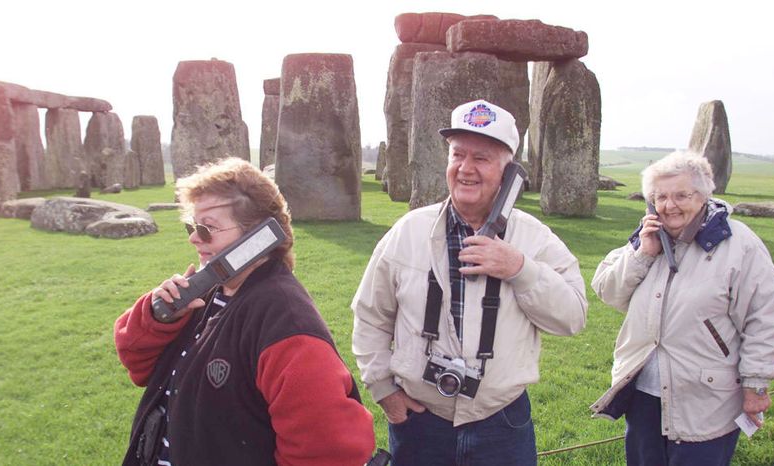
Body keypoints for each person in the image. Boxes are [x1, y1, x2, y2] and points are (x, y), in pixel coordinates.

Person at [351, 99, 588, 465]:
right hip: (419, 421)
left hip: (502, 422)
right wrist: (383, 389)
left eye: (482, 158)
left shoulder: (534, 239)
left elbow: (573, 316)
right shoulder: (408, 231)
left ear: (509, 170)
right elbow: (370, 315)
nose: (465, 169)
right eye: (457, 155)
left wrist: (520, 269)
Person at [114, 157, 375, 466]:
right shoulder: (205, 292)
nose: (193, 238)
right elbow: (137, 364)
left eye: (207, 228)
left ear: (259, 236)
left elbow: (328, 450)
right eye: (192, 226)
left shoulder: (287, 325)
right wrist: (159, 318)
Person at [590, 151, 774, 465]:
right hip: (643, 394)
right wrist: (643, 253)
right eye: (660, 197)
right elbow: (607, 291)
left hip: (706, 398)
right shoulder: (648, 237)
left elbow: (766, 317)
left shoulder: (739, 244)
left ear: (704, 195)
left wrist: (756, 384)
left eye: (682, 195)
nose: (669, 206)